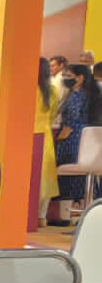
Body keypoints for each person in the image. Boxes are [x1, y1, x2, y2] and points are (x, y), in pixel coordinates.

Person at [54, 62, 97, 218]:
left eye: (69, 76)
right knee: (81, 179)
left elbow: (72, 117)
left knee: (69, 175)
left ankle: (66, 216)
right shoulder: (88, 94)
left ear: (80, 78)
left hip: (72, 137)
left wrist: (61, 136)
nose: (65, 78)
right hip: (84, 137)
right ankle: (81, 215)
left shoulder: (76, 96)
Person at [36, 57, 59, 223]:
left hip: (26, 135)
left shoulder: (27, 87)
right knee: (46, 176)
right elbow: (53, 114)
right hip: (45, 136)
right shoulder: (52, 91)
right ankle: (41, 216)